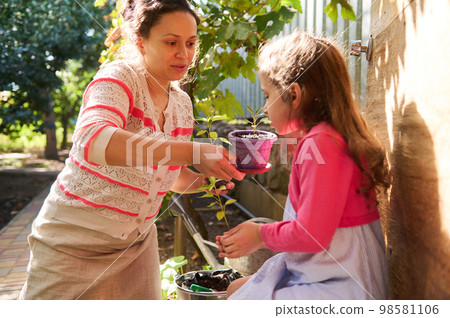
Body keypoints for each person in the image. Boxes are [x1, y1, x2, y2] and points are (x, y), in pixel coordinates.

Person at [19, 0, 244, 300]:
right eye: (171, 42)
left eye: (190, 43)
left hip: (136, 247)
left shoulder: (182, 105)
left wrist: (209, 180)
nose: (184, 54)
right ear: (140, 41)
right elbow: (93, 140)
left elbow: (168, 175)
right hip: (72, 244)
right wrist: (192, 152)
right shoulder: (119, 78)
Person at [216, 31, 389, 300]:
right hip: (324, 271)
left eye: (266, 96)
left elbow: (312, 234)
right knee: (235, 289)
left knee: (239, 298)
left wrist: (260, 234)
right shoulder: (323, 137)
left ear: (294, 95)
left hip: (343, 287)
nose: (263, 109)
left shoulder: (321, 143)